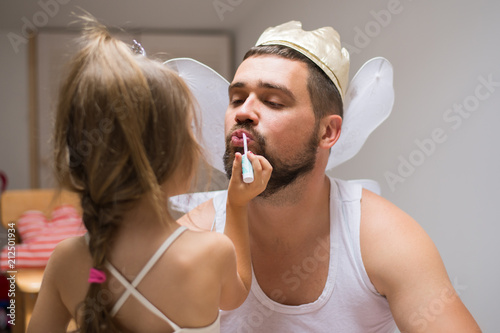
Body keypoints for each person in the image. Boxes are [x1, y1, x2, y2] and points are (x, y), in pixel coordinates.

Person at [179, 21, 481, 332]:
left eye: (273, 102)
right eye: (237, 99)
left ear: (328, 131)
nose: (243, 113)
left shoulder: (384, 238)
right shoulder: (191, 236)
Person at [28, 16, 272, 333]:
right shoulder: (209, 253)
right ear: (172, 157)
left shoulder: (66, 261)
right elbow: (236, 293)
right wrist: (237, 206)